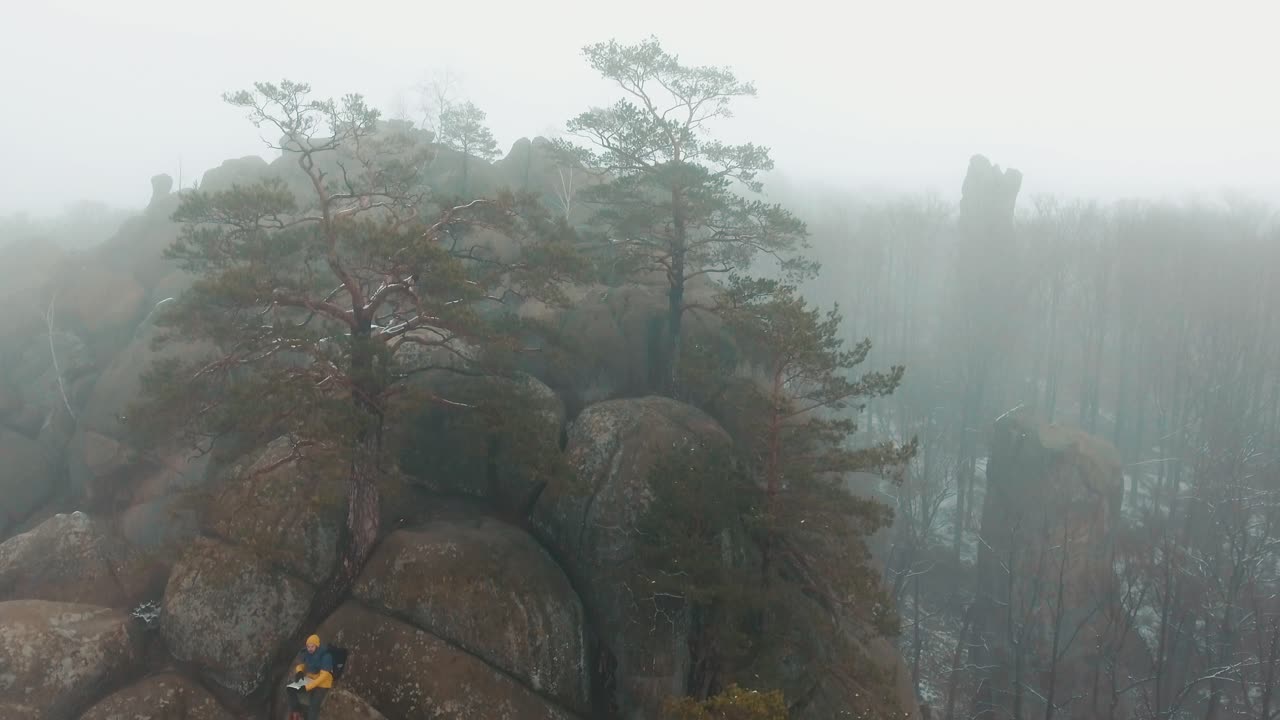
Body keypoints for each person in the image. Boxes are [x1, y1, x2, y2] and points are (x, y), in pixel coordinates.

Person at [287, 634, 333, 720]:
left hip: (322, 684)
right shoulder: (308, 653)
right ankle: (297, 711)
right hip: (311, 678)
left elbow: (323, 677)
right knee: (290, 688)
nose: (310, 649)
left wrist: (307, 687)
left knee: (314, 706)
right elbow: (302, 665)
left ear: (317, 646)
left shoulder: (326, 656)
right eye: (308, 646)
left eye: (312, 646)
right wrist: (299, 672)